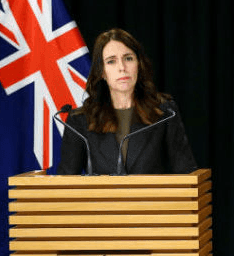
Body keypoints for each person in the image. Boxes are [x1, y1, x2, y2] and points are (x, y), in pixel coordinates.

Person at [56, 28, 198, 175]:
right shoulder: (79, 121)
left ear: (138, 64)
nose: (122, 68)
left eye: (128, 58)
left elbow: (186, 173)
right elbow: (66, 182)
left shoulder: (165, 113)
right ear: (102, 72)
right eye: (111, 61)